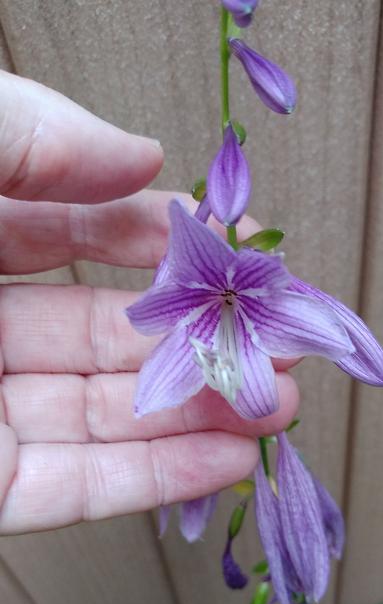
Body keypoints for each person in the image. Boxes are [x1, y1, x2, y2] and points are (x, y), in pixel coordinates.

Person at [0, 71, 299, 535]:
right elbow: (151, 312)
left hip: (225, 298)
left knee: (261, 402)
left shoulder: (249, 287)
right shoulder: (193, 293)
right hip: (209, 297)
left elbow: (248, 287)